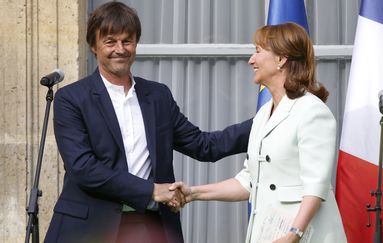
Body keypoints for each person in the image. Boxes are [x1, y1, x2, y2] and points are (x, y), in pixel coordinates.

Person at [44, 2, 252, 243]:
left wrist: (266, 122)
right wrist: (152, 190)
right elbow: (83, 168)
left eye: (127, 41)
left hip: (149, 226)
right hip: (88, 228)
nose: (120, 49)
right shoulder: (71, 98)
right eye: (110, 41)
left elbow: (203, 145)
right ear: (94, 46)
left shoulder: (158, 96)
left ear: (136, 44)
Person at [171, 23, 347, 243]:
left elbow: (316, 186)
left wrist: (294, 234)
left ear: (281, 59)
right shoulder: (263, 114)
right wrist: (193, 193)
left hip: (307, 236)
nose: (251, 60)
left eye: (258, 51)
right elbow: (249, 182)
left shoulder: (312, 111)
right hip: (267, 233)